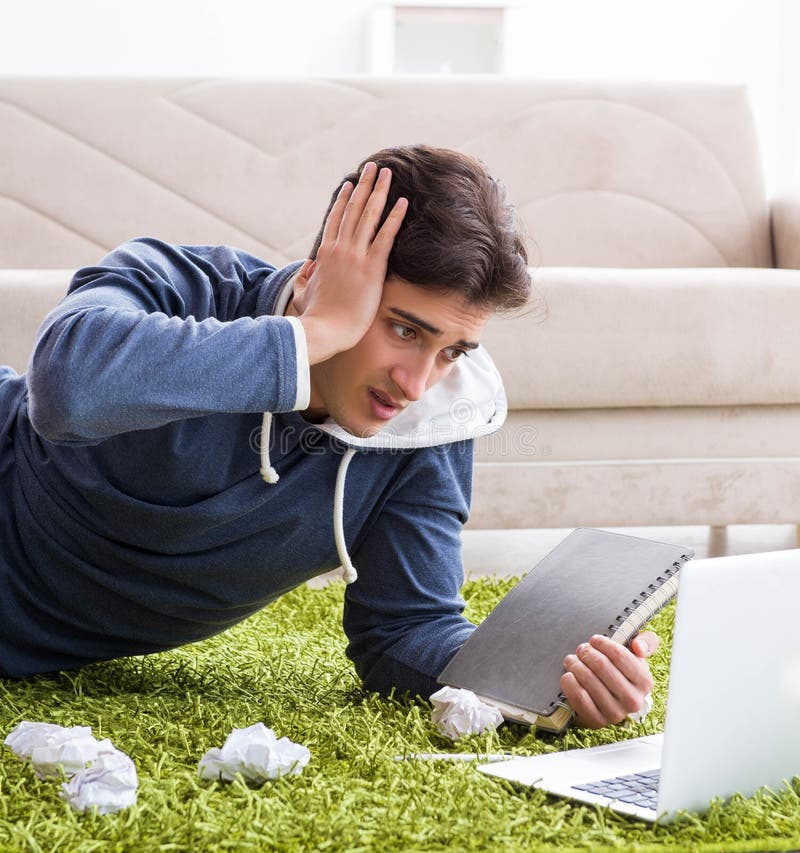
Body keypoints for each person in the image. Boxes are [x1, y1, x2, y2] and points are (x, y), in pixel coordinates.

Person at [0, 145, 656, 729]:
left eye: (452, 350)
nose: (417, 382)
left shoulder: (432, 420)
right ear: (321, 276)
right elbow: (64, 391)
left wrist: (543, 677)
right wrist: (316, 333)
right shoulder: (183, 286)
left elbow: (405, 627)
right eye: (404, 329)